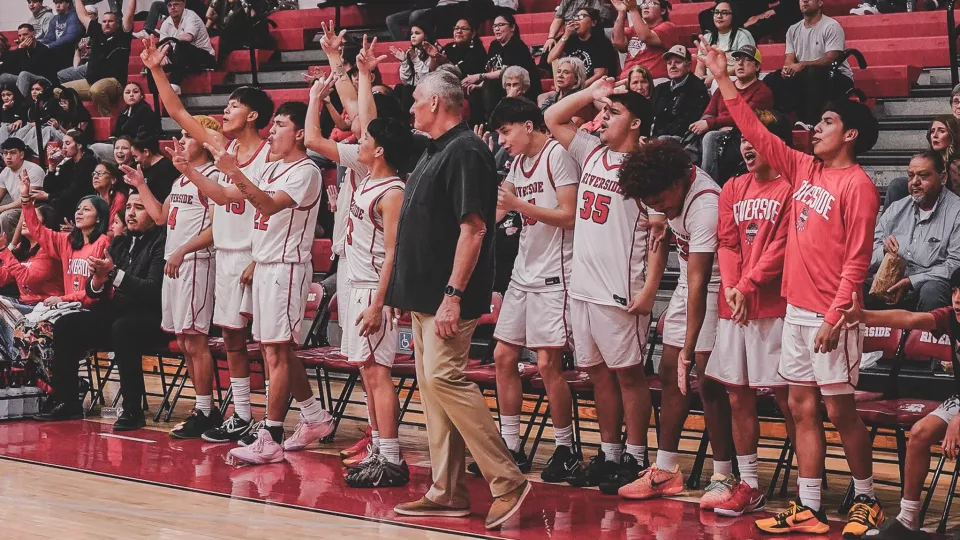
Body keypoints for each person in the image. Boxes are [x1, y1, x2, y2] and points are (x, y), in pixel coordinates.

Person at [702, 40, 884, 536]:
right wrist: (723, 80)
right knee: (802, 407)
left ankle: (866, 497)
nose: (815, 130)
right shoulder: (805, 169)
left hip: (833, 314)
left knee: (839, 407)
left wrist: (833, 317)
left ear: (849, 135)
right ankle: (810, 505)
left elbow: (858, 261)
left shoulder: (860, 186)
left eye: (825, 124)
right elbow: (757, 134)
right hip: (797, 310)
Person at [387, 70, 531, 529]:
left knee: (446, 379)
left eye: (415, 100)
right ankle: (447, 490)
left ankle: (507, 479)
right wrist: (401, 292)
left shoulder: (466, 150)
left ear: (435, 103)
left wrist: (453, 295)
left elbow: (474, 229)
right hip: (424, 295)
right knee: (433, 392)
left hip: (448, 298)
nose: (410, 108)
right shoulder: (436, 149)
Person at [141, 38, 276, 442]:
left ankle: (281, 418)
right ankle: (240, 413)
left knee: (273, 346)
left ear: (252, 115)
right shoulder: (223, 147)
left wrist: (259, 256)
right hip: (226, 254)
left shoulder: (269, 155)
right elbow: (179, 112)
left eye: (233, 105)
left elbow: (271, 208)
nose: (225, 110)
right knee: (232, 339)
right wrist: (156, 70)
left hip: (256, 254)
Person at [545, 78, 667, 494]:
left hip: (620, 289)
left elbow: (659, 234)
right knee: (597, 374)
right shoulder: (592, 152)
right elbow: (551, 116)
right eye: (604, 112)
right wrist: (593, 94)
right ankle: (610, 452)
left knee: (629, 376)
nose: (602, 118)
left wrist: (650, 288)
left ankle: (635, 457)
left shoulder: (645, 170)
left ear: (635, 124)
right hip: (583, 287)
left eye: (613, 113)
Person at [207, 101, 335, 465]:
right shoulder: (275, 166)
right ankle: (313, 416)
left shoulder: (306, 171)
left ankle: (271, 435)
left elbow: (264, 205)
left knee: (277, 351)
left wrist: (237, 173)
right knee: (274, 350)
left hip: (286, 267)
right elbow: (229, 196)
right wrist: (200, 172)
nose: (272, 131)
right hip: (264, 265)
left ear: (298, 133)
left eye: (279, 125)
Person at [616, 139, 733, 504]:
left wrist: (689, 346)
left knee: (707, 381)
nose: (658, 209)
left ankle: (724, 476)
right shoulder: (667, 191)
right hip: (689, 284)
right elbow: (684, 271)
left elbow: (700, 283)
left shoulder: (706, 206)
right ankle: (666, 470)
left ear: (677, 184)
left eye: (659, 202)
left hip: (716, 289)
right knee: (669, 373)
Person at [481, 97, 581, 482]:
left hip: (555, 274)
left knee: (546, 364)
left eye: (505, 132)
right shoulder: (517, 162)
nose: (502, 140)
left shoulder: (557, 156)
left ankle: (565, 448)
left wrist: (521, 203)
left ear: (527, 125)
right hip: (523, 272)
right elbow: (498, 210)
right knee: (503, 356)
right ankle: (511, 446)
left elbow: (570, 216)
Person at [703, 111, 798, 516]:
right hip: (734, 307)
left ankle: (806, 484)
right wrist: (730, 286)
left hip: (773, 305)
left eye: (755, 140)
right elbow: (726, 242)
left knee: (788, 398)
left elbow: (780, 248)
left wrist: (746, 285)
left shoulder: (792, 189)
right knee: (737, 395)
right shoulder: (732, 187)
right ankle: (751, 484)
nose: (746, 146)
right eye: (743, 139)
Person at [334, 38, 417, 488]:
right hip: (357, 283)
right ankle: (379, 450)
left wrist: (378, 303)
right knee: (368, 372)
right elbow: (367, 118)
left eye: (366, 140)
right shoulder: (369, 176)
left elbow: (394, 255)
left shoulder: (393, 191)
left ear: (380, 150)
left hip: (373, 289)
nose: (360, 140)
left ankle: (392, 457)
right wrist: (361, 74)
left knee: (378, 374)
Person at [836, 283, 960, 540]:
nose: (957, 299)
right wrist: (864, 316)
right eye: (955, 291)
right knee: (919, 433)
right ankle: (908, 518)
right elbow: (909, 318)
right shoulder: (950, 316)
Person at [123, 120, 221, 437]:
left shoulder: (215, 178)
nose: (180, 140)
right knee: (182, 341)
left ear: (204, 142)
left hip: (196, 262)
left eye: (187, 136)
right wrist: (140, 184)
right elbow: (161, 217)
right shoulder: (182, 179)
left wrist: (182, 250)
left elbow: (217, 229)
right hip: (175, 264)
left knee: (195, 339)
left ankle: (205, 409)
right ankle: (203, 407)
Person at [41, 189, 166, 428]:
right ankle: (69, 402)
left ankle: (132, 411)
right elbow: (93, 290)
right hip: (117, 312)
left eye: (138, 208)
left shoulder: (160, 242)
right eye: (128, 207)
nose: (130, 213)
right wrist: (98, 279)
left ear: (153, 212)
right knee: (67, 324)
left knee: (123, 328)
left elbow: (151, 289)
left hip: (150, 315)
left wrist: (114, 274)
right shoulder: (119, 242)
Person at [868, 151, 960, 312]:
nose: (914, 182)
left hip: (928, 284)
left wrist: (912, 281)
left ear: (943, 178)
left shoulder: (956, 211)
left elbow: (955, 264)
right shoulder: (896, 209)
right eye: (911, 176)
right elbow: (867, 256)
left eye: (923, 176)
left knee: (932, 291)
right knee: (855, 290)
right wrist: (883, 250)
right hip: (889, 284)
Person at [763, 0, 854, 129]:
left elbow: (832, 58)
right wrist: (787, 69)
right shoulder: (793, 29)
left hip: (836, 76)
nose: (804, 1)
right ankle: (777, 122)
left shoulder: (831, 26)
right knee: (773, 78)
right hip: (805, 75)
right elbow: (789, 57)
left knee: (813, 72)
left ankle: (810, 121)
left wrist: (803, 65)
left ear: (820, 2)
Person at [689, 44, 772, 182]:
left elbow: (745, 118)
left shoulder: (763, 92)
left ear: (757, 67)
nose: (740, 63)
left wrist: (710, 123)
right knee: (678, 140)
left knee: (710, 137)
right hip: (718, 130)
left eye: (747, 60)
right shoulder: (725, 88)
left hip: (740, 136)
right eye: (738, 59)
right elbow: (709, 112)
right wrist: (702, 124)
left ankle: (708, 187)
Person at [0, 204, 63, 360]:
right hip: (25, 306)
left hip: (44, 309)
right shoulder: (23, 249)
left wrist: (5, 251)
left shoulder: (49, 251)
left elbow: (27, 280)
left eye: (32, 217)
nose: (26, 220)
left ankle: (15, 360)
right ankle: (8, 361)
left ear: (45, 225)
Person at [58, 0, 134, 117]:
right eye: (104, 21)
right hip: (91, 82)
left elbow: (129, 14)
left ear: (117, 24)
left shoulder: (123, 36)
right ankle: (77, 119)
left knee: (96, 90)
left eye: (110, 21)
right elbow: (82, 15)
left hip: (115, 82)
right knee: (58, 91)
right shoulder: (96, 31)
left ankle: (108, 120)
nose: (107, 24)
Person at [462, 14, 542, 119]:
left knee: (491, 84)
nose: (497, 29)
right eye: (494, 26)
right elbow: (492, 70)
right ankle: (478, 126)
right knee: (475, 91)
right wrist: (480, 84)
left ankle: (494, 123)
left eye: (500, 25)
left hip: (522, 88)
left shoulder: (517, 45)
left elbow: (505, 72)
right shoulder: (494, 45)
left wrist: (478, 76)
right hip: (502, 86)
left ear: (512, 27)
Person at [885, 116, 960, 208]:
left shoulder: (956, 164)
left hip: (947, 206)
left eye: (941, 131)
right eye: (932, 131)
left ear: (953, 135)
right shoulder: (929, 158)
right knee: (897, 185)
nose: (935, 135)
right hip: (929, 196)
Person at [546, 8, 620, 86]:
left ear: (593, 22)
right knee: (542, 97)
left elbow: (600, 74)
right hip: (571, 86)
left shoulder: (601, 43)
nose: (577, 20)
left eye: (582, 16)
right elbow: (551, 59)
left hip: (592, 88)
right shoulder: (571, 40)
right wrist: (565, 35)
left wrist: (579, 88)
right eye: (576, 17)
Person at [650, 45, 709, 139]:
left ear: (689, 66)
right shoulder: (660, 88)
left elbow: (688, 122)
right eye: (669, 63)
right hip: (655, 139)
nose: (672, 66)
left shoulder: (698, 88)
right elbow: (649, 116)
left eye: (677, 62)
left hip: (680, 139)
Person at [38, 130, 98, 222]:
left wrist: (48, 196)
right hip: (65, 203)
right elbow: (50, 188)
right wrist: (52, 168)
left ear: (79, 145)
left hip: (81, 204)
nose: (63, 147)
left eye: (67, 143)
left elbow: (75, 191)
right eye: (63, 144)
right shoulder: (69, 163)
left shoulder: (89, 162)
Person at [90, 83, 160, 163]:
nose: (131, 95)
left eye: (135, 92)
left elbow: (133, 133)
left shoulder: (145, 110)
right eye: (127, 92)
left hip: (138, 149)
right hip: (123, 147)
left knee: (94, 148)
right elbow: (117, 133)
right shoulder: (124, 112)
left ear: (141, 96)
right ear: (123, 96)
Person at [612, 0, 679, 81]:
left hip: (654, 81)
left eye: (651, 3)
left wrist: (633, 9)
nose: (646, 6)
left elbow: (645, 37)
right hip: (628, 80)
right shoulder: (633, 30)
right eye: (644, 4)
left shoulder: (668, 27)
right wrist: (621, 13)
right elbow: (618, 43)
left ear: (662, 10)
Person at [156, 0, 216, 90]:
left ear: (183, 4)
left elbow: (188, 37)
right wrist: (162, 54)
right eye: (169, 5)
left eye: (176, 4)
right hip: (182, 57)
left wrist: (169, 41)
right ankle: (155, 94)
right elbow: (161, 45)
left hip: (204, 56)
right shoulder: (166, 23)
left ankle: (174, 85)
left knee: (182, 45)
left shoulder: (191, 16)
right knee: (156, 57)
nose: (172, 7)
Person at [694, 1, 755, 88]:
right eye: (716, 12)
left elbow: (744, 64)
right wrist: (698, 83)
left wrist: (716, 77)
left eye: (724, 13)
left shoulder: (742, 35)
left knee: (716, 83)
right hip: (709, 80)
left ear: (733, 16)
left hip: (736, 79)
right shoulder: (707, 37)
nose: (719, 16)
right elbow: (700, 66)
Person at [0, 24, 59, 100]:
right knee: (3, 77)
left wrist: (20, 50)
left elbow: (28, 69)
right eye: (20, 36)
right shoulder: (24, 49)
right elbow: (7, 66)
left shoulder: (42, 49)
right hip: (28, 78)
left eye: (25, 34)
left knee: (23, 74)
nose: (22, 38)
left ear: (33, 34)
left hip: (45, 79)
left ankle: (21, 105)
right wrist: (19, 49)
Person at [542, 0, 616, 59]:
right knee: (550, 47)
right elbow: (558, 18)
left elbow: (609, 16)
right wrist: (551, 37)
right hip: (571, 33)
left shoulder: (598, 2)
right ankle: (544, 72)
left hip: (592, 33)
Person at [0, 138, 46, 221]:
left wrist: (3, 207)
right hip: (16, 208)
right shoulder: (5, 172)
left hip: (36, 208)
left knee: (5, 216)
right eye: (5, 153)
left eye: (13, 153)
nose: (8, 157)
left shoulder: (34, 170)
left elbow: (29, 200)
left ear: (21, 155)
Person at [131, 136, 179, 204]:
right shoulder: (143, 167)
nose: (135, 160)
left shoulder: (166, 169)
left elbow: (164, 199)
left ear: (146, 152)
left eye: (135, 156)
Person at [40, 0, 83, 70]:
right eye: (56, 3)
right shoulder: (55, 18)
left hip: (71, 52)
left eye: (60, 3)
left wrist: (49, 46)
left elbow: (70, 37)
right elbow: (50, 37)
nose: (57, 6)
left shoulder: (74, 16)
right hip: (58, 51)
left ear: (68, 4)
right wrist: (38, 44)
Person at [91, 162, 126, 228]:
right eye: (94, 173)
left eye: (100, 173)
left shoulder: (119, 199)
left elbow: (112, 230)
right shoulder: (92, 199)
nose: (95, 177)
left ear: (113, 180)